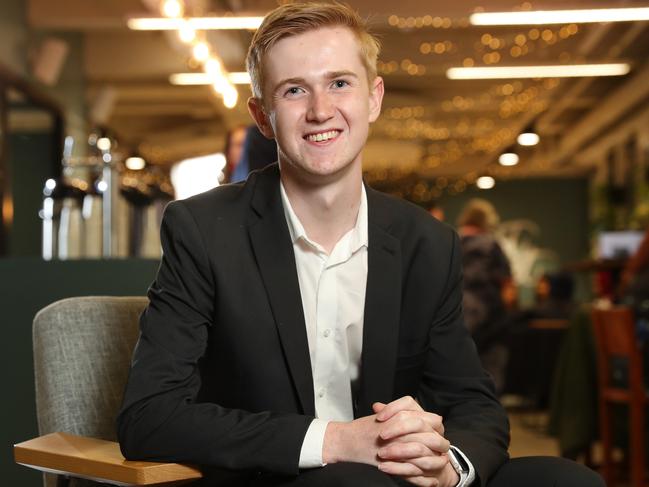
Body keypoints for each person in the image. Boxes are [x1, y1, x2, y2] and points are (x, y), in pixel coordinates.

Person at [117, 3, 604, 487]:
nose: (320, 110)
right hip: (282, 476)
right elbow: (150, 416)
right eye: (293, 90)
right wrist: (335, 441)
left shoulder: (427, 242)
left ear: (373, 98)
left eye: (339, 83)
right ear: (262, 117)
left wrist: (446, 466)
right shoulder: (204, 229)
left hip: (401, 479)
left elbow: (472, 405)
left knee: (568, 480)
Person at [456, 199, 514, 393]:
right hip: (490, 317)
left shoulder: (449, 241)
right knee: (491, 372)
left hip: (454, 315)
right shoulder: (491, 245)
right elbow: (507, 286)